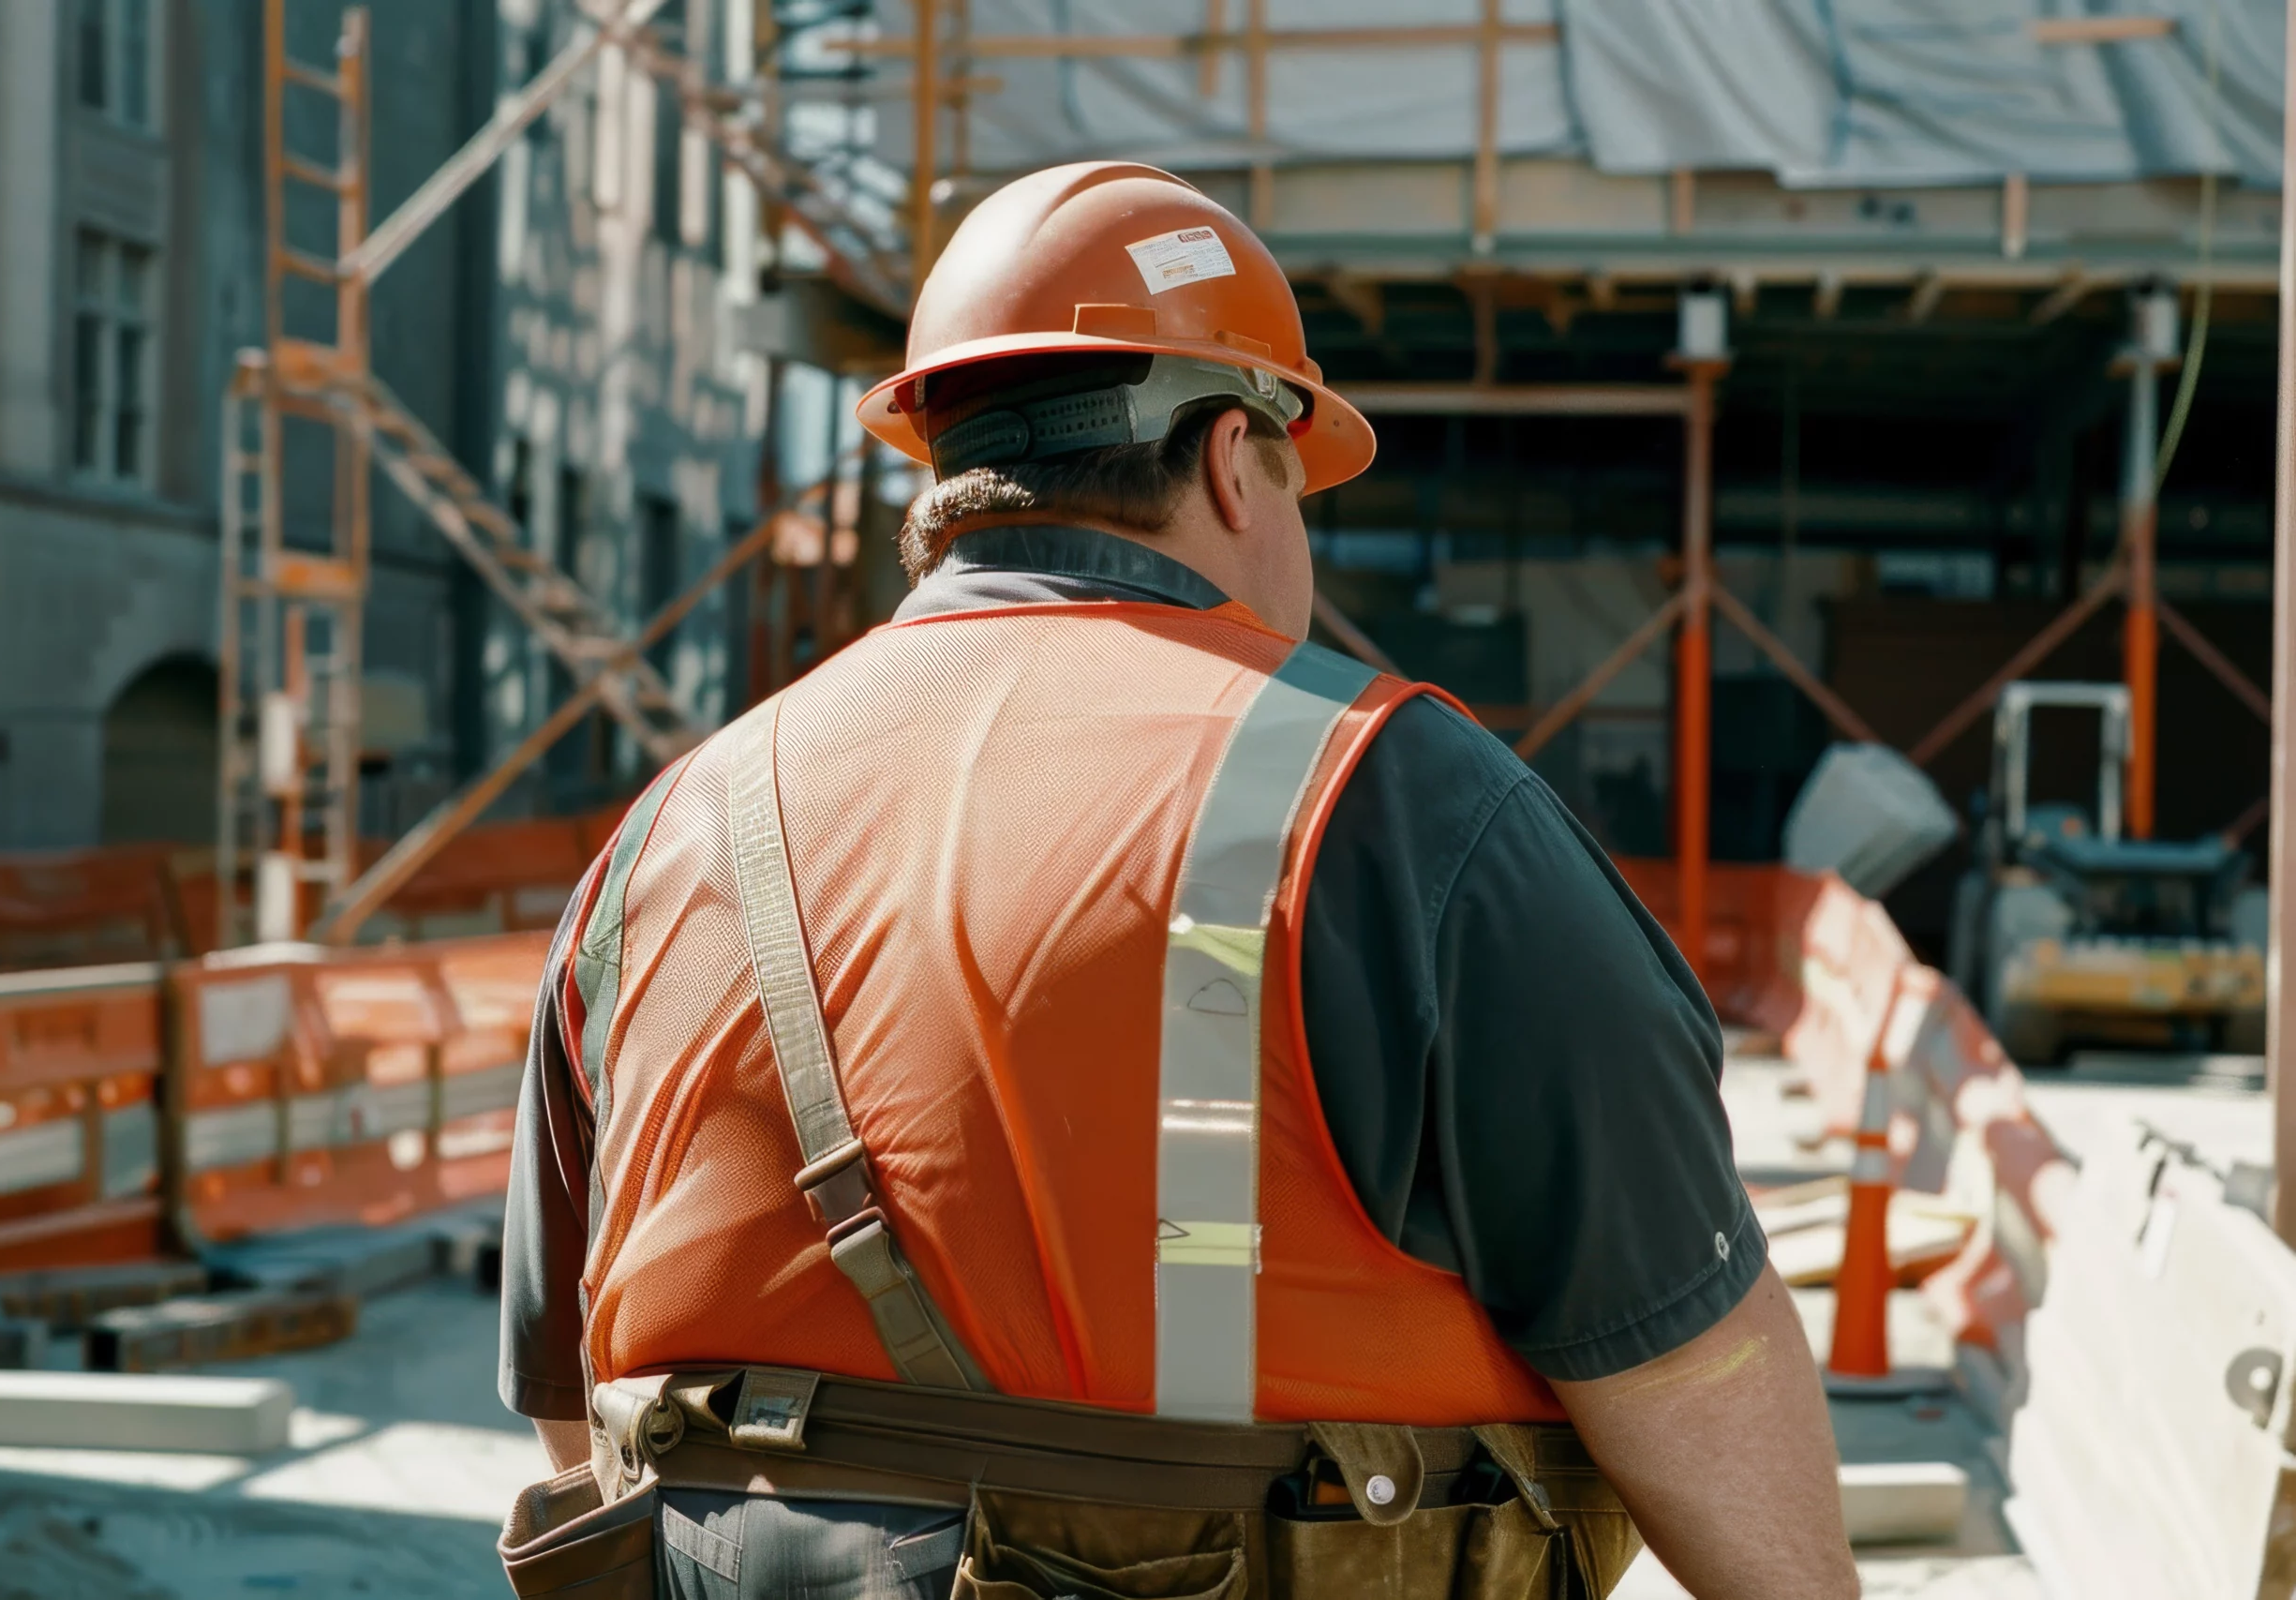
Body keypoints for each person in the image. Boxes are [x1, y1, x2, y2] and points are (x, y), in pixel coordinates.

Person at [497, 161, 1856, 1600]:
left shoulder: (667, 838)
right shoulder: (1395, 800)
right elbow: (1690, 1360)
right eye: (1295, 479)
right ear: (1228, 458)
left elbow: (584, 1414)